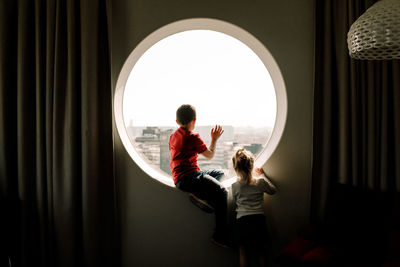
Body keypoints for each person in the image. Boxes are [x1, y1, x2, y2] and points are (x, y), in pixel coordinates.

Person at [169, 104, 229, 247]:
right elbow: (210, 155)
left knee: (220, 173)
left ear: (177, 122)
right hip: (189, 178)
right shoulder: (192, 137)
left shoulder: (173, 136)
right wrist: (214, 139)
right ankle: (219, 235)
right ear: (194, 121)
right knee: (223, 192)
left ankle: (200, 195)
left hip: (181, 178)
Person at [231, 148, 277, 267]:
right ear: (252, 167)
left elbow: (236, 202)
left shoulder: (235, 186)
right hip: (258, 220)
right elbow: (273, 191)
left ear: (236, 169)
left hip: (242, 221)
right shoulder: (260, 182)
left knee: (243, 253)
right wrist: (262, 175)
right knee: (261, 252)